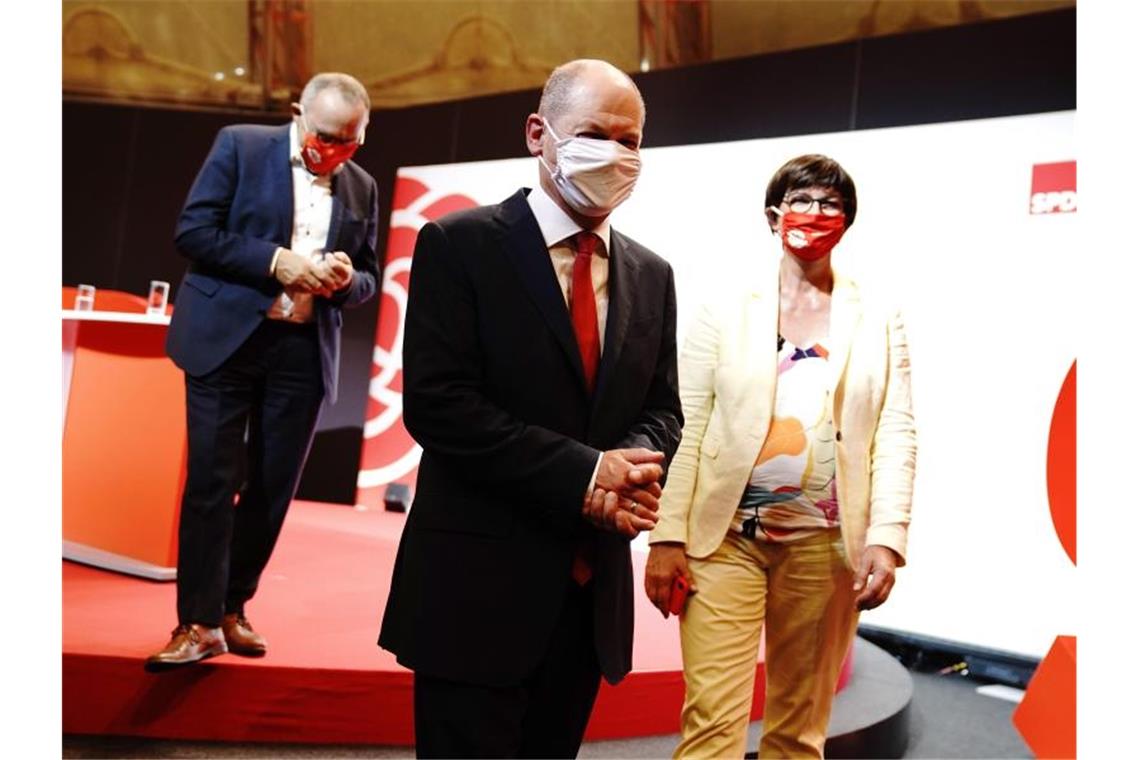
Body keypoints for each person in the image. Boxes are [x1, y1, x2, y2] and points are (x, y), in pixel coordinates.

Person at [379, 59, 683, 758]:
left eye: (631, 139)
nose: (615, 154)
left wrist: (624, 470)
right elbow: (440, 406)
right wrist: (587, 476)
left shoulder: (653, 274)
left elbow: (663, 406)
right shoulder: (459, 245)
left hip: (586, 604)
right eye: (594, 133)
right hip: (475, 594)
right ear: (537, 134)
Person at [645, 154, 916, 758]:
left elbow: (896, 430)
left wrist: (887, 538)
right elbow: (685, 425)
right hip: (724, 541)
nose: (815, 214)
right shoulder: (723, 308)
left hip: (827, 548)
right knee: (712, 723)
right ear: (774, 216)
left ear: (846, 220)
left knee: (799, 731)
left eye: (829, 204)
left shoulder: (878, 317)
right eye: (802, 200)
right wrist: (665, 536)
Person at [146, 72, 380, 669]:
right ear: (299, 114)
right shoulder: (241, 145)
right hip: (226, 339)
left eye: (349, 141)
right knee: (211, 482)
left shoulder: (362, 186)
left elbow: (370, 280)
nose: (333, 150)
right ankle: (196, 623)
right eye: (325, 136)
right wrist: (277, 262)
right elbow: (193, 231)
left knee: (273, 489)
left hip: (302, 350)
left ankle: (232, 607)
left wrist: (348, 282)